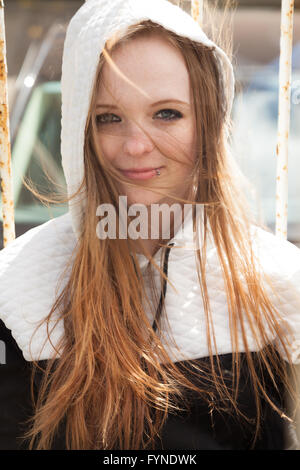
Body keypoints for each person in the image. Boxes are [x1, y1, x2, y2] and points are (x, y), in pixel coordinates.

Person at [0, 0, 300, 451]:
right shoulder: (15, 287)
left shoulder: (279, 282)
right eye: (108, 118)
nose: (137, 146)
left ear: (209, 121)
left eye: (167, 114)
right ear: (80, 129)